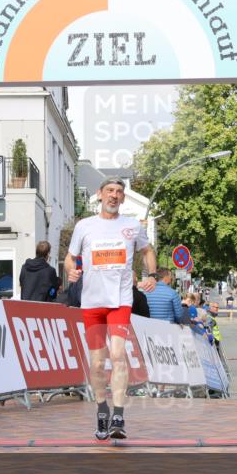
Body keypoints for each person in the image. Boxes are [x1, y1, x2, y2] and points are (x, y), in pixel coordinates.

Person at [65, 178, 155, 441]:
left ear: (123, 198)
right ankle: (102, 409)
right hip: (92, 303)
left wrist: (151, 275)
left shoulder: (132, 226)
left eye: (119, 192)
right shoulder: (84, 226)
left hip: (120, 301)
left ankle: (118, 415)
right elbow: (70, 258)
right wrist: (71, 270)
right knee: (96, 363)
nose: (114, 196)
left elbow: (147, 251)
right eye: (110, 191)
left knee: (117, 355)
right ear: (100, 195)